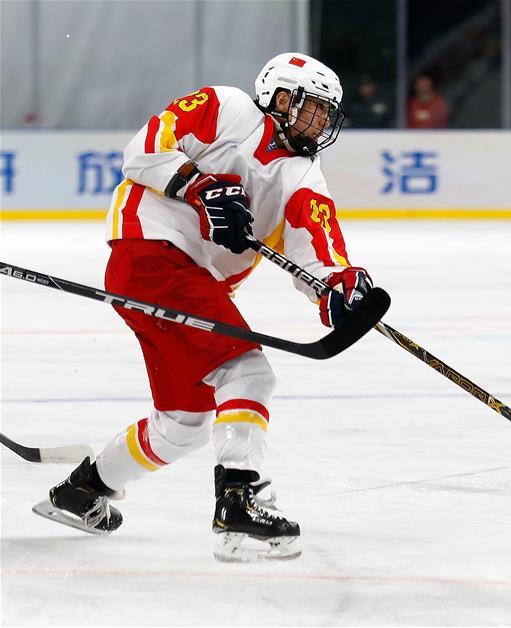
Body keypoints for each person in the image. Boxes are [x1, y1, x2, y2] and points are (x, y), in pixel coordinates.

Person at [32, 53, 375, 562]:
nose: (322, 123)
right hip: (153, 253)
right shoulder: (228, 107)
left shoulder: (303, 173)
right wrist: (202, 185)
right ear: (282, 99)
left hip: (178, 279)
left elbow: (316, 244)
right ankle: (239, 502)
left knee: (182, 422)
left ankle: (81, 493)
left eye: (328, 115)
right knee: (248, 375)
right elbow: (142, 151)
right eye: (314, 110)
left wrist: (341, 287)